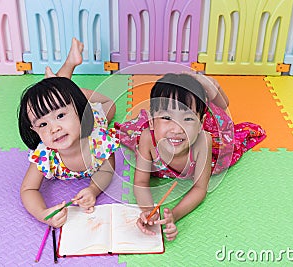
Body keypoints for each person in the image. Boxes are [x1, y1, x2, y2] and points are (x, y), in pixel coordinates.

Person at [115, 73, 266, 241]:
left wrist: (174, 215)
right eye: (166, 117)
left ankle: (209, 86)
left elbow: (200, 189)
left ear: (200, 123)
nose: (177, 129)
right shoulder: (147, 138)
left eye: (187, 118)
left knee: (224, 116)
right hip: (176, 124)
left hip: (209, 127)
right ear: (151, 122)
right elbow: (141, 183)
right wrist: (148, 212)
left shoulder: (204, 141)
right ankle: (197, 97)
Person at [18, 38, 119, 228]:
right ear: (34, 130)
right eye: (42, 124)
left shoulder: (98, 141)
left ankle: (70, 87)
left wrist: (93, 190)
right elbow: (28, 189)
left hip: (92, 118)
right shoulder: (45, 154)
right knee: (60, 99)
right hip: (74, 107)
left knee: (110, 106)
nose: (53, 128)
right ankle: (63, 82)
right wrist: (42, 214)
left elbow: (107, 170)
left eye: (61, 116)